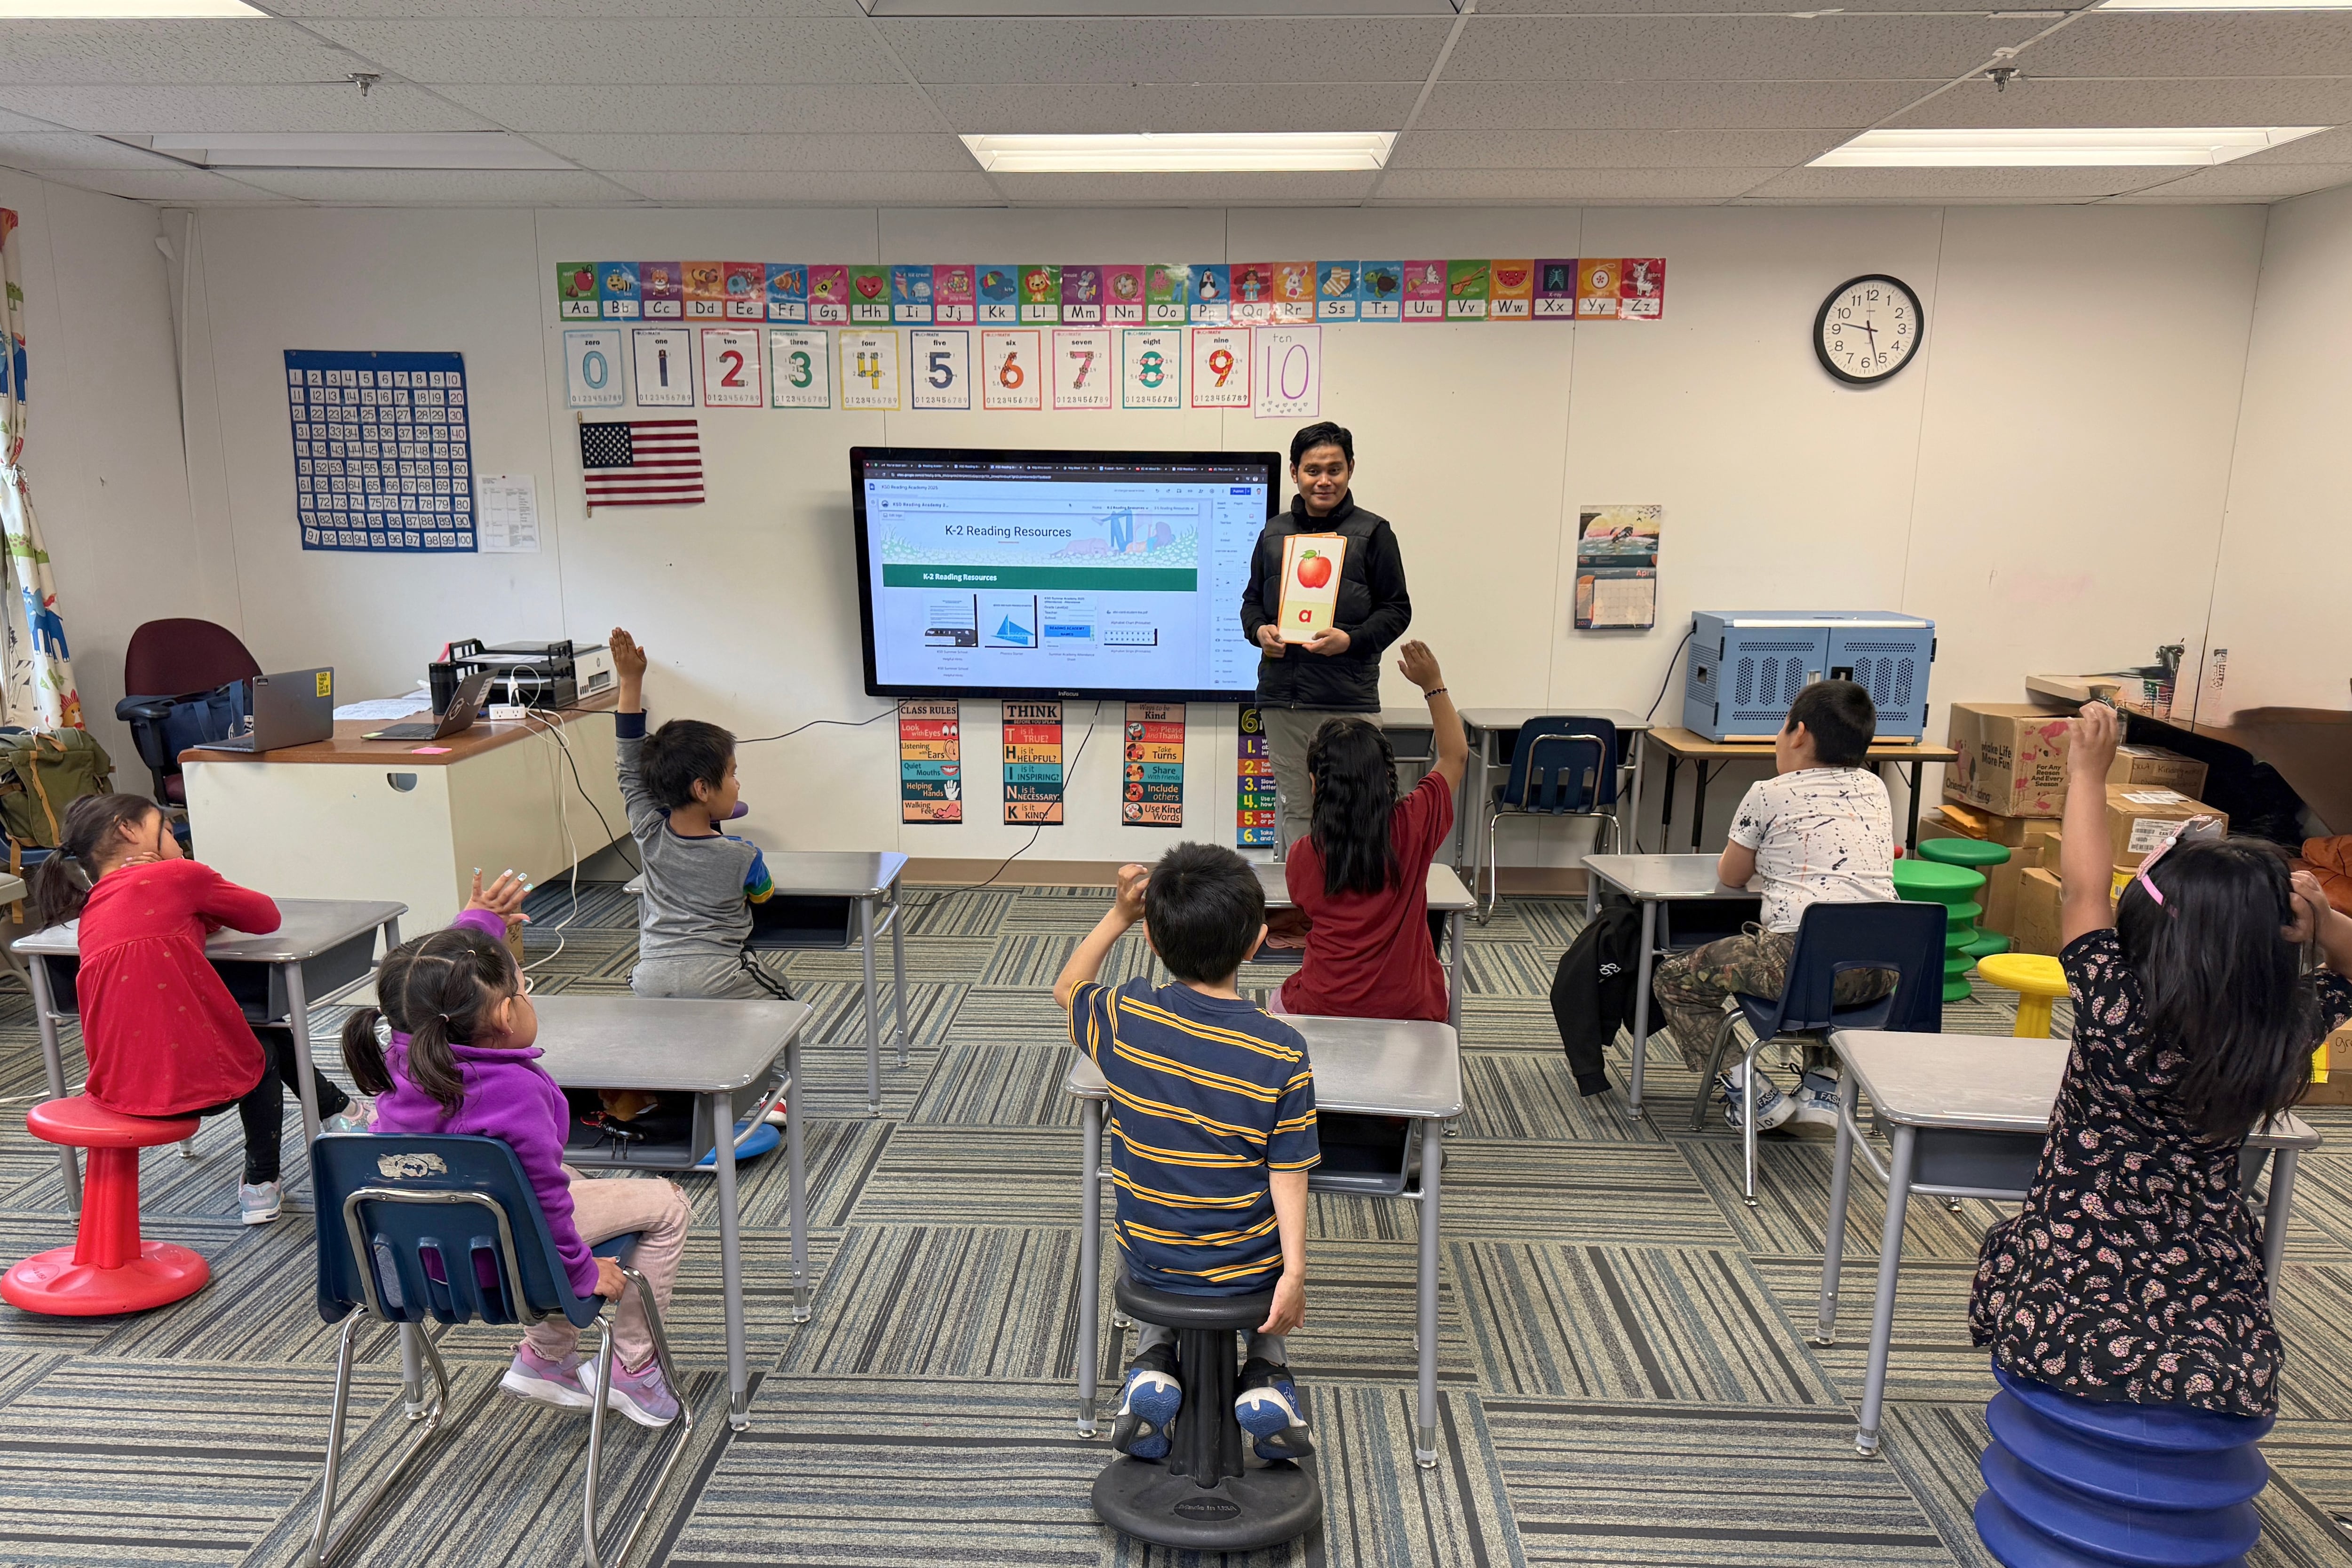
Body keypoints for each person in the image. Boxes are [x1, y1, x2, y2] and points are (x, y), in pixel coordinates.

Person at [1970, 701, 2352, 1416]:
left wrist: (2088, 770)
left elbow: (2084, 891)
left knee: (2019, 1253)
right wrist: (2327, 922)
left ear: (2150, 927)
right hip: (2212, 1335)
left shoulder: (2116, 1012)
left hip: (2062, 1316)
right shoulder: (2280, 1027)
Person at [343, 873, 693, 1428]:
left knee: (564, 1175)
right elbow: (546, 1205)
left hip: (415, 1263)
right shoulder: (515, 1092)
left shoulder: (402, 1053)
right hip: (502, 1262)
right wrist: (578, 1275)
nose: (527, 997)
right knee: (667, 1202)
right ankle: (633, 1365)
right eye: (523, 989)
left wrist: (479, 921)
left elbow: (433, 993)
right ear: (507, 1016)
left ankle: (547, 1360)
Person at [1055, 846, 1319, 1463]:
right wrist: (1296, 1274)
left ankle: (1152, 1366)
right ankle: (1267, 1373)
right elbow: (1290, 1173)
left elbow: (1066, 985)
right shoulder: (1283, 1050)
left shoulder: (1123, 1018)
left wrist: (1119, 915)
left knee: (1165, 1236)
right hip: (1248, 1272)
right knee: (1257, 1233)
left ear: (1152, 938)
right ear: (1256, 942)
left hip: (1153, 1260)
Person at [30, 792, 370, 1225]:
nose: (178, 842)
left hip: (116, 1089)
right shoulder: (177, 875)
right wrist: (185, 878)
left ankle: (338, 1110)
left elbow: (185, 919)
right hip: (186, 1091)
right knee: (262, 1046)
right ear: (128, 830)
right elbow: (265, 916)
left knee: (256, 1034)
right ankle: (263, 1179)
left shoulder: (91, 908)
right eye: (168, 830)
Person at [1648, 679, 1897, 1131]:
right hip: (1884, 967)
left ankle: (1750, 1091)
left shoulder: (1768, 793)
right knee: (1826, 957)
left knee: (1674, 978)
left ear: (1798, 734)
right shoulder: (1876, 789)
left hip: (1802, 967)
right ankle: (1823, 1081)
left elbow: (1731, 875)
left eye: (1783, 727)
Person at [1241, 422, 1413, 861]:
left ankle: (1357, 915)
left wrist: (1351, 640)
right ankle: (1305, 914)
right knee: (1299, 812)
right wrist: (1260, 631)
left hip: (1348, 701)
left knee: (1362, 813)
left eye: (1335, 469)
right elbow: (1251, 603)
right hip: (1285, 702)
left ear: (1351, 469)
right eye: (1313, 469)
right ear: (1296, 472)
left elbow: (1397, 610)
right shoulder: (1274, 534)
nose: (1324, 480)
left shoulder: (1374, 534)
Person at [1273, 640, 1466, 1022]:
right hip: (1410, 1006)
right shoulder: (1415, 822)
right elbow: (1455, 755)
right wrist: (1434, 684)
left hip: (1324, 1002)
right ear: (1386, 777)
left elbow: (1307, 910)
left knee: (1276, 1007)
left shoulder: (1304, 854)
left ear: (1315, 783)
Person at [609, 627, 778, 999]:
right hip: (718, 975)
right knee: (788, 1008)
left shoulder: (650, 835)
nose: (737, 783)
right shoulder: (743, 856)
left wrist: (629, 681)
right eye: (732, 773)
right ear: (702, 789)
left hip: (650, 977)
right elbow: (764, 895)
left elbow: (629, 771)